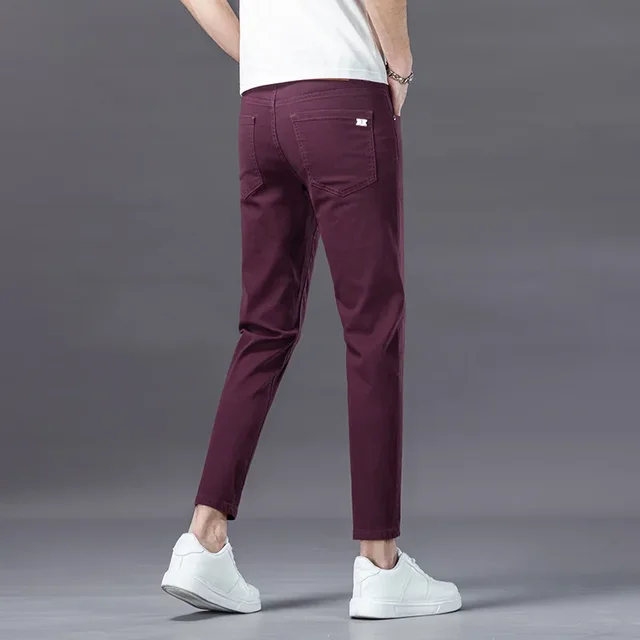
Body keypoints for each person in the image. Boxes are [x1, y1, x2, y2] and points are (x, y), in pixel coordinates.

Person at [161, 0, 462, 619]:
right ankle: (380, 566)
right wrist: (400, 66)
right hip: (342, 95)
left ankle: (203, 540)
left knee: (263, 326)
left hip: (260, 109)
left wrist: (261, 54)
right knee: (372, 328)